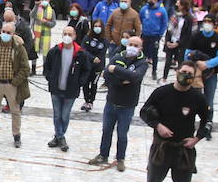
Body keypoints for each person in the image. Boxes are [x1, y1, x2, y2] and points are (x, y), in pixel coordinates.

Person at [135, 62, 210, 182]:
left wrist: (197, 138)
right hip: (161, 149)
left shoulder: (197, 98)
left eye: (190, 73)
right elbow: (144, 111)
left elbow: (208, 120)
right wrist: (157, 125)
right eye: (183, 71)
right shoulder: (162, 93)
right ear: (177, 72)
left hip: (183, 151)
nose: (186, 75)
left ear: (194, 77)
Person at [88, 35, 149, 172]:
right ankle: (103, 155)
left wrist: (115, 70)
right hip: (112, 101)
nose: (132, 47)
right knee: (106, 130)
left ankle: (120, 158)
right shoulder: (118, 56)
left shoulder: (142, 63)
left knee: (122, 134)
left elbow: (135, 77)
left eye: (136, 45)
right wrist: (122, 80)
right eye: (130, 44)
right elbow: (106, 74)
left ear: (140, 48)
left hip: (127, 104)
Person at [42, 24, 89, 152]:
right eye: (65, 34)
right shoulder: (55, 51)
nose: (67, 37)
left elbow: (86, 70)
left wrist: (80, 82)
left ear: (74, 36)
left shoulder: (80, 53)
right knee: (57, 115)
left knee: (65, 115)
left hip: (71, 91)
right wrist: (50, 78)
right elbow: (47, 67)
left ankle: (58, 137)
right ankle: (61, 137)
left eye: (70, 34)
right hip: (56, 89)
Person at [0, 21, 29, 146]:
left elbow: (25, 68)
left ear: (13, 34)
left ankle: (16, 135)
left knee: (15, 110)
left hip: (11, 85)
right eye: (3, 32)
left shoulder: (19, 47)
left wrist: (15, 82)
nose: (5, 34)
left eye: (8, 32)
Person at [81, 18, 110, 112]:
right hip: (87, 64)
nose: (97, 28)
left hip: (98, 66)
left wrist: (97, 60)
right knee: (85, 83)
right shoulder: (87, 38)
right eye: (95, 26)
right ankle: (86, 100)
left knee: (93, 83)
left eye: (99, 26)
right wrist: (92, 58)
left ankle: (91, 101)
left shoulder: (104, 40)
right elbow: (84, 50)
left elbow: (102, 53)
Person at [138, 0, 167, 79]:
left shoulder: (161, 10)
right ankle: (141, 69)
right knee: (143, 53)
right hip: (145, 34)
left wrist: (160, 34)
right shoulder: (144, 9)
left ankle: (154, 71)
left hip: (155, 35)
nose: (149, 0)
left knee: (155, 53)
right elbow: (140, 19)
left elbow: (164, 23)